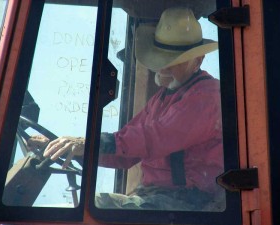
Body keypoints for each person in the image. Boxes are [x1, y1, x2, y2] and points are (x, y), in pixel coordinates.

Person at [28, 7, 224, 211]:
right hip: (157, 198)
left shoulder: (207, 96)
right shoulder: (161, 99)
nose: (164, 67)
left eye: (174, 61)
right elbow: (124, 153)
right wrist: (65, 150)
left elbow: (154, 138)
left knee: (91, 209)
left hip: (190, 204)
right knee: (78, 207)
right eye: (162, 58)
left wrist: (90, 143)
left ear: (198, 61)